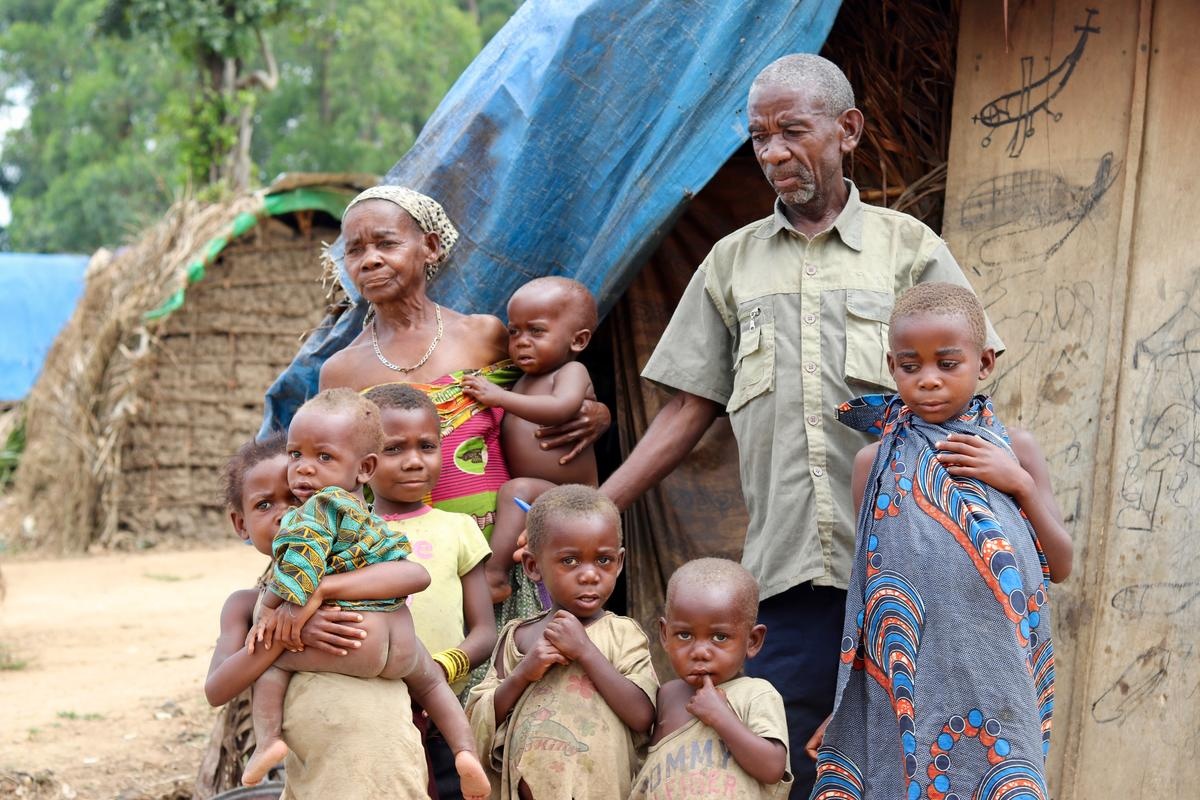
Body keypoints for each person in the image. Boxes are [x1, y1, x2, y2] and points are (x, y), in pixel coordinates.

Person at [599, 53, 1005, 797]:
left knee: (917, 758)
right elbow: (691, 406)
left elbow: (967, 394)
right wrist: (603, 504)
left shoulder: (907, 249)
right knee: (793, 764)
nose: (774, 153)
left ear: (847, 129)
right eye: (759, 137)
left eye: (792, 130)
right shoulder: (730, 265)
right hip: (787, 574)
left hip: (907, 564)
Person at [809, 282, 1071, 799]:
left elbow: (1059, 564)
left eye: (947, 364)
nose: (928, 380)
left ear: (985, 363)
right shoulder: (873, 463)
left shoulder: (1015, 449)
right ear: (891, 366)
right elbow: (870, 590)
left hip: (1001, 685)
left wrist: (1016, 480)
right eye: (911, 366)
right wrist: (847, 706)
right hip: (909, 687)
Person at [319, 186, 610, 625]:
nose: (370, 259)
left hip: (504, 551)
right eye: (355, 250)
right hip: (402, 561)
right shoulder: (340, 372)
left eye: (386, 243)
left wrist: (595, 413)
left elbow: (548, 386)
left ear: (430, 247)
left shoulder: (485, 336)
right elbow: (330, 471)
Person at [229, 388, 489, 797]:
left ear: (364, 466)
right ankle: (465, 751)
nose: (304, 470)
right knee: (435, 687)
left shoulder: (310, 515)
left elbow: (295, 572)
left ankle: (267, 741)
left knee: (272, 668)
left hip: (353, 645)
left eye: (324, 457)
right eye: (296, 455)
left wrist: (269, 611)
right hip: (402, 647)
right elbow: (412, 574)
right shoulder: (373, 522)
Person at [204, 434, 443, 798]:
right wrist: (284, 636)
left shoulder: (368, 581)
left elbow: (416, 580)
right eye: (265, 504)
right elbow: (217, 689)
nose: (288, 514)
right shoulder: (244, 605)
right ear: (241, 524)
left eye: (304, 500)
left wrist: (318, 591)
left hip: (386, 755)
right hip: (316, 774)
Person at [465, 485, 657, 800]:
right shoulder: (518, 636)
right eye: (570, 561)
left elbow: (642, 715)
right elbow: (482, 720)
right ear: (533, 566)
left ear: (619, 563)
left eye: (604, 561)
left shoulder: (623, 635)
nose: (589, 575)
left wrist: (585, 651)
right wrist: (524, 671)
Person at [364, 383, 497, 798]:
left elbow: (484, 632)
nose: (413, 462)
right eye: (394, 449)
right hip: (375, 706)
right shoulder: (353, 535)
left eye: (426, 446)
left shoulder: (458, 530)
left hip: (446, 709)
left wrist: (439, 670)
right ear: (364, 462)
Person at [460, 276, 599, 604]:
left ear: (578, 340)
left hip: (575, 497)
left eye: (536, 331)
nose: (522, 341)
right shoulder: (521, 380)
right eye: (514, 332)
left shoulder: (570, 373)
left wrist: (498, 398)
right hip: (543, 498)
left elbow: (560, 409)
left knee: (515, 490)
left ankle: (494, 577)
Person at [631, 558, 793, 800]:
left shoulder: (756, 693)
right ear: (665, 635)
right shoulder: (662, 697)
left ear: (752, 641)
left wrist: (720, 716)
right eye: (684, 635)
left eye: (719, 637)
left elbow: (772, 768)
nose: (700, 651)